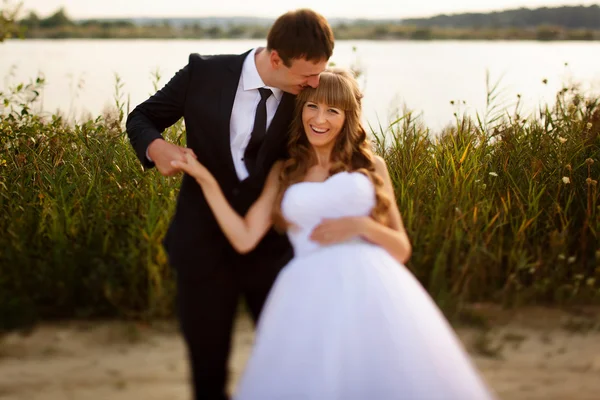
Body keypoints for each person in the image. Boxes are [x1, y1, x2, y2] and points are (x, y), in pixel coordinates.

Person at [171, 68, 495, 399]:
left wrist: (361, 225)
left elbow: (400, 249)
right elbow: (244, 237)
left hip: (372, 286)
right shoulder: (285, 170)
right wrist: (204, 180)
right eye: (312, 106)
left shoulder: (371, 167)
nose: (320, 119)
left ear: (347, 117)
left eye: (332, 110)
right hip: (306, 291)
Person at [125, 9, 334, 400]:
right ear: (276, 59)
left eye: (321, 72)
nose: (315, 83)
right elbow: (141, 117)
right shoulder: (202, 74)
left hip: (273, 251)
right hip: (202, 248)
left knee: (291, 362)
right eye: (307, 74)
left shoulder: (310, 93)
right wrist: (157, 146)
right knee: (208, 370)